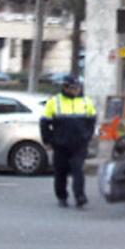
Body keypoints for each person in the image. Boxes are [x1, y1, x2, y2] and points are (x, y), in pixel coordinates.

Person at [40, 75, 97, 208]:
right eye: (73, 88)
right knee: (61, 172)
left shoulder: (86, 101)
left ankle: (80, 196)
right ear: (65, 87)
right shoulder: (54, 102)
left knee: (78, 170)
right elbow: (44, 123)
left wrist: (87, 137)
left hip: (79, 144)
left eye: (78, 88)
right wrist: (48, 140)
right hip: (60, 144)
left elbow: (92, 121)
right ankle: (62, 196)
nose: (76, 90)